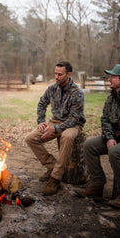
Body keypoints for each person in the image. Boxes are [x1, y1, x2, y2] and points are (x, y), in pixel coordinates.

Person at [74, 64, 120, 208]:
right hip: (117, 137)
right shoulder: (111, 98)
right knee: (89, 145)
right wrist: (109, 137)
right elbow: (105, 120)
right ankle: (97, 186)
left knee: (115, 152)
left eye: (112, 77)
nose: (109, 79)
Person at [26, 61, 86, 196]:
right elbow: (42, 103)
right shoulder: (52, 88)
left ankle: (56, 178)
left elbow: (75, 118)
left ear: (69, 74)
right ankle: (52, 166)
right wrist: (41, 121)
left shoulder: (78, 92)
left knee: (67, 136)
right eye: (55, 73)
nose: (57, 77)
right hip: (54, 121)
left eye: (60, 74)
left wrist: (56, 129)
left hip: (73, 124)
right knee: (30, 138)